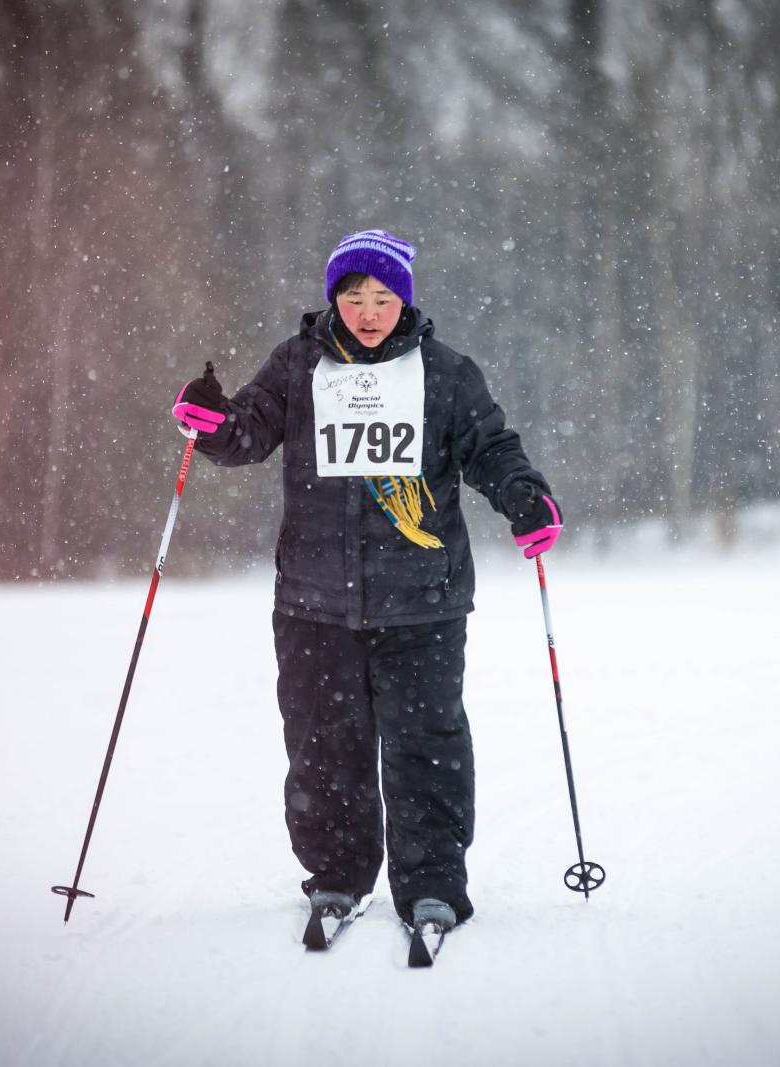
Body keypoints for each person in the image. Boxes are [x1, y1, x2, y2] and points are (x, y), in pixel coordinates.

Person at [170, 229, 562, 934]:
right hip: (314, 602)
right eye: (354, 296)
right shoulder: (297, 366)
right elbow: (248, 434)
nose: (369, 310)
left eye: (383, 297)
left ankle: (433, 881)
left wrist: (525, 496)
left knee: (427, 744)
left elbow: (490, 448)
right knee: (323, 746)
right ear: (334, 299)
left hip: (423, 603)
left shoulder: (443, 372)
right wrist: (213, 422)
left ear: (403, 300)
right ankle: (336, 875)